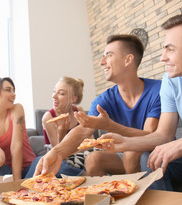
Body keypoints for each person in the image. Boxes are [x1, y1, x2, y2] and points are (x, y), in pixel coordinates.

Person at [97, 9, 182, 190]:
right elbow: (163, 135)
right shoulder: (170, 82)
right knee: (150, 158)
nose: (163, 58)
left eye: (170, 49)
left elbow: (178, 141)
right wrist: (126, 142)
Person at [33, 34, 162, 177]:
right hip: (124, 155)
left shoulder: (157, 91)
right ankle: (108, 196)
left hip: (154, 152)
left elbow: (151, 137)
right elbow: (82, 131)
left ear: (128, 60)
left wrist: (110, 126)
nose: (102, 62)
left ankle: (138, 196)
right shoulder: (105, 99)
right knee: (93, 159)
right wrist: (56, 153)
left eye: (109, 55)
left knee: (131, 154)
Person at [0, 77, 40, 180]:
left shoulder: (17, 109)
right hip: (6, 171)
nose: (13, 94)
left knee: (41, 160)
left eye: (13, 90)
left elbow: (16, 146)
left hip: (30, 169)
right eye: (8, 90)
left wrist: (17, 181)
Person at [42, 76, 87, 169]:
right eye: (54, 91)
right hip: (58, 157)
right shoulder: (48, 117)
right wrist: (61, 133)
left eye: (61, 93)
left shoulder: (78, 111)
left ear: (73, 98)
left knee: (97, 155)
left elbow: (90, 140)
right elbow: (58, 153)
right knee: (65, 165)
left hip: (80, 154)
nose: (53, 96)